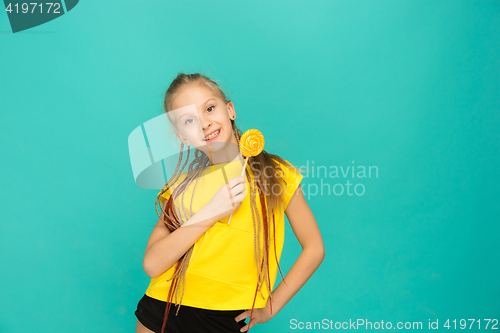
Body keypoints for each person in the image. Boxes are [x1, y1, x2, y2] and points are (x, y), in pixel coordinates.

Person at [135, 73, 325, 333]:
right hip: (164, 309)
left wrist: (271, 306)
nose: (204, 123)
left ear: (230, 110)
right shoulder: (181, 187)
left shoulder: (275, 174)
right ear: (182, 137)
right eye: (189, 121)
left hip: (224, 319)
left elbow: (314, 248)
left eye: (210, 108)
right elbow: (153, 264)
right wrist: (212, 211)